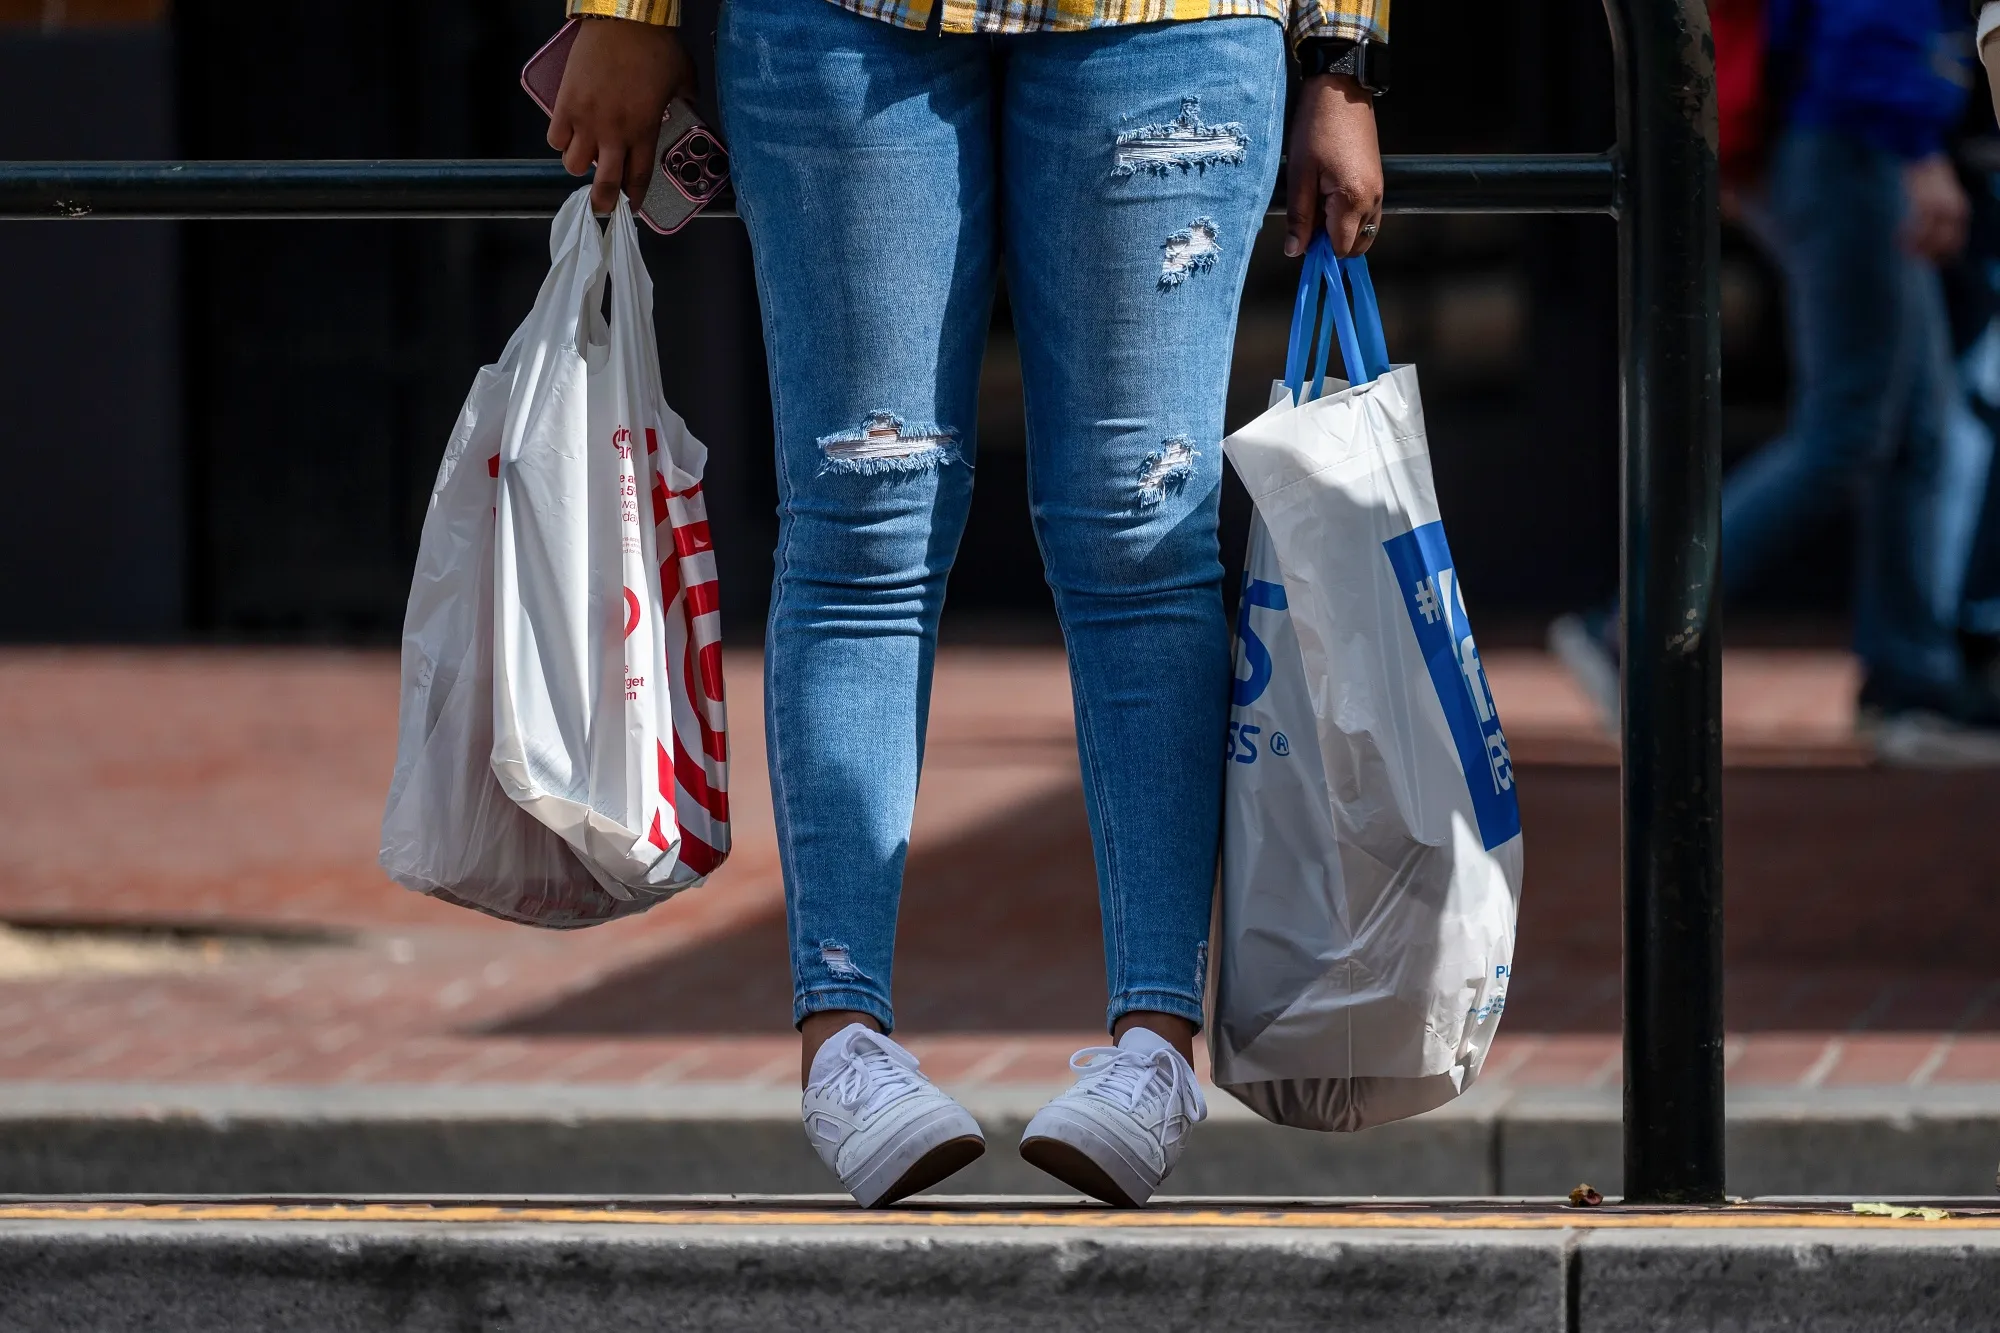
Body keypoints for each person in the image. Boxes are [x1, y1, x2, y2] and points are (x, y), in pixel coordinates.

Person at [549, 0, 1389, 1206]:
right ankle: (839, 1040)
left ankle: (1157, 1044)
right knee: (860, 528)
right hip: (844, 22)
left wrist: (1341, 59)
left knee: (1143, 537)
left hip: (1167, 20)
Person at [1555, 0, 1987, 764]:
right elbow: (1874, 21)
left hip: (1834, 136)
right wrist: (1916, 149)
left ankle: (1912, 686)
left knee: (1915, 427)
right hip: (1856, 140)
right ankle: (1633, 625)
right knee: (1849, 429)